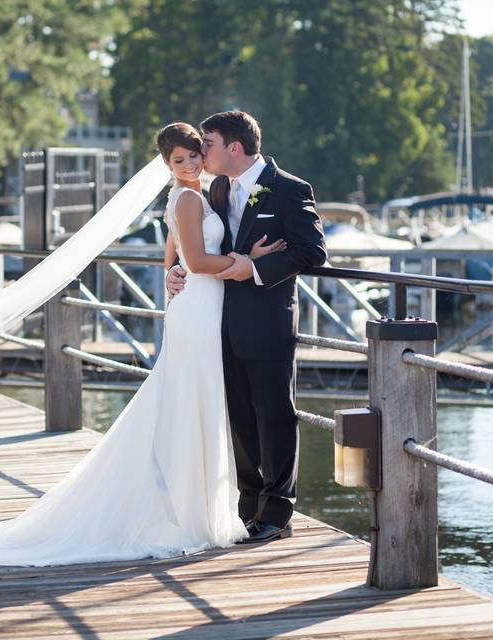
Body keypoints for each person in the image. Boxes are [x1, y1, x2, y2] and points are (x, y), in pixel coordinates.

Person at [0, 123, 286, 566]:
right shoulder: (189, 197)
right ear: (166, 165)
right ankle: (188, 515)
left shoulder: (201, 194)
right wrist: (249, 262)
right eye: (180, 160)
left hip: (204, 307)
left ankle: (196, 509)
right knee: (192, 403)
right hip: (199, 313)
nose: (191, 164)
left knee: (195, 406)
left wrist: (173, 273)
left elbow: (174, 252)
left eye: (194, 155)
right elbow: (197, 259)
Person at [166, 110, 326, 544]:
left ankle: (277, 514)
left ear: (233, 147)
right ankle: (246, 508)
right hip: (217, 320)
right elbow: (192, 242)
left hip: (268, 320)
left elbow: (312, 252)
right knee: (238, 418)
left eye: (209, 143)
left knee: (274, 415)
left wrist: (254, 269)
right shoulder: (216, 188)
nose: (202, 151)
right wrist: (174, 269)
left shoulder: (289, 188)